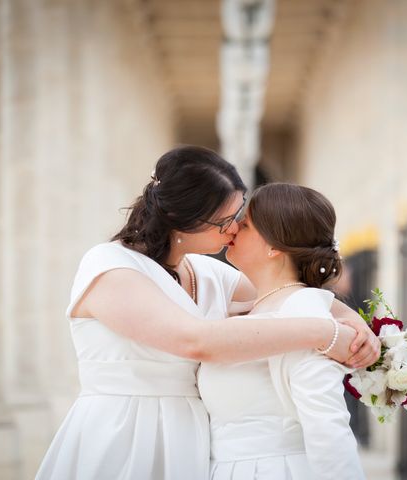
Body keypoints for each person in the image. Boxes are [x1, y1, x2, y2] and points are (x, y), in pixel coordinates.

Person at [36, 146, 378, 480]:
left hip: (194, 441)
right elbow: (196, 341)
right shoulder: (110, 267)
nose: (234, 229)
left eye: (239, 215)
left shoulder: (206, 273)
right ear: (181, 221)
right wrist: (324, 334)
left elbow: (291, 293)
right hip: (125, 432)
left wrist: (361, 331)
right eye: (225, 221)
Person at [199, 183, 366, 479]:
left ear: (274, 246)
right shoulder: (262, 306)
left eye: (246, 224)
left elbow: (328, 429)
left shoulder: (301, 310)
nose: (234, 228)